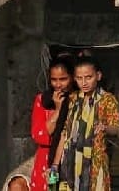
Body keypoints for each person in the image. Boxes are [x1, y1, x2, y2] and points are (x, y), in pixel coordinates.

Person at [53, 55, 119, 191]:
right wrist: (55, 164)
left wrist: (105, 128)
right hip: (70, 164)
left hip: (95, 165)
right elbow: (65, 134)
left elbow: (117, 130)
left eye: (88, 77)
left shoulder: (107, 99)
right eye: (79, 78)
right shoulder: (73, 99)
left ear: (98, 76)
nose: (84, 82)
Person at [30, 55, 77, 191]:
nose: (58, 84)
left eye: (63, 79)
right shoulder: (42, 101)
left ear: (72, 77)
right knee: (51, 189)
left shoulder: (78, 100)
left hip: (71, 158)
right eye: (54, 80)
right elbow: (40, 136)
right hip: (47, 161)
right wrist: (57, 110)